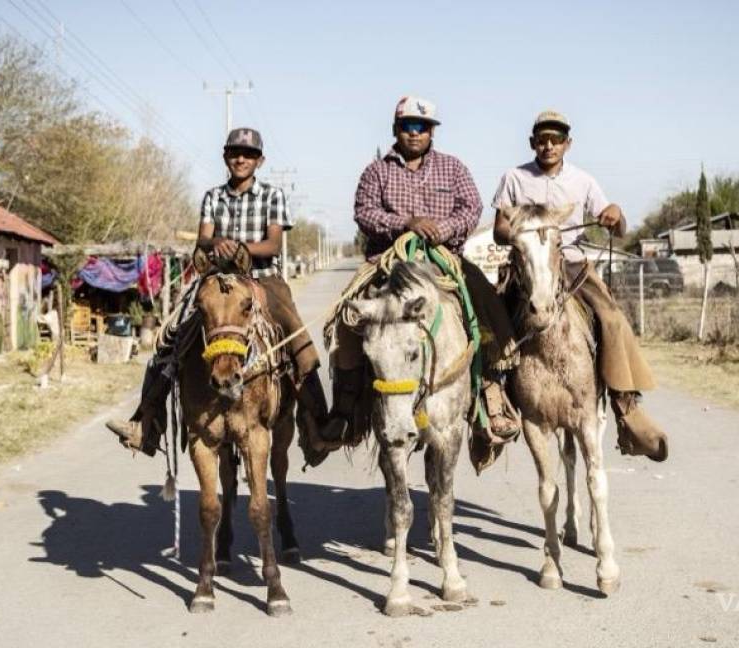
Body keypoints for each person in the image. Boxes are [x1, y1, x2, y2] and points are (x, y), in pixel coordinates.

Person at [105, 127, 330, 459]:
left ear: (260, 160)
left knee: (298, 341)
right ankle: (146, 422)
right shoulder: (213, 196)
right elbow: (203, 240)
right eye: (235, 152)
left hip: (264, 279)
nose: (241, 158)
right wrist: (214, 244)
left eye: (249, 154)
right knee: (171, 337)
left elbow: (272, 244)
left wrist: (239, 247)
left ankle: (318, 428)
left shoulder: (272, 196)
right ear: (226, 156)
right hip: (218, 282)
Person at [321, 96, 522, 454]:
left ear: (432, 132)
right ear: (396, 130)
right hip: (387, 260)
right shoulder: (377, 171)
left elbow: (471, 207)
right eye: (408, 126)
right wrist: (406, 224)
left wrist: (442, 229)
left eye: (422, 127)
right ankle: (347, 405)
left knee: (489, 309)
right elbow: (363, 212)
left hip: (445, 258)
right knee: (345, 318)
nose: (415, 133)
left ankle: (491, 395)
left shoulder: (453, 168)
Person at [492, 110, 669, 461]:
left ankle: (625, 405)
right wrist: (526, 233)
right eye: (542, 139)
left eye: (556, 139)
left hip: (571, 264)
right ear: (532, 143)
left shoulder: (583, 181)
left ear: (567, 144)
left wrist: (615, 213)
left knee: (613, 319)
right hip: (525, 264)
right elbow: (499, 229)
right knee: (489, 321)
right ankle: (490, 405)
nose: (548, 145)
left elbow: (617, 227)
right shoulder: (514, 178)